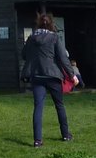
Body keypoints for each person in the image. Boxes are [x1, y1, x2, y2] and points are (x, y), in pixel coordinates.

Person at [21, 13, 78, 147]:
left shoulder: (31, 38)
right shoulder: (54, 38)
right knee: (59, 105)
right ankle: (65, 135)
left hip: (37, 76)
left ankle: (37, 140)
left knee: (38, 107)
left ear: (38, 24)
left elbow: (24, 55)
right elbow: (63, 58)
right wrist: (72, 75)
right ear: (51, 24)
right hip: (53, 76)